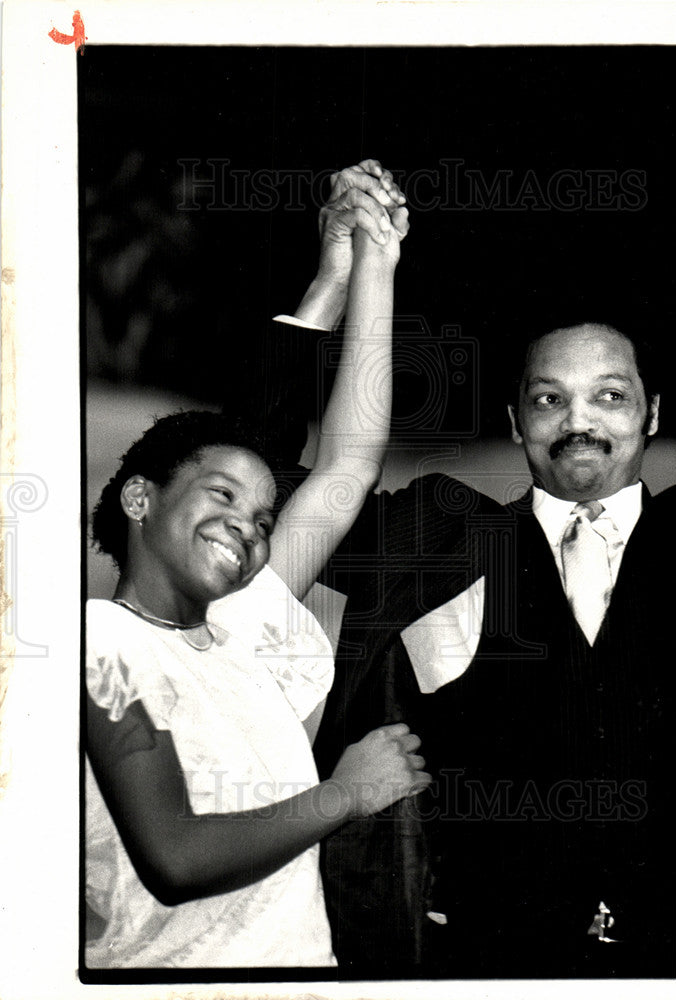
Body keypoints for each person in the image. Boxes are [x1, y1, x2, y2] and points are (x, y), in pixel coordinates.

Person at [84, 160, 432, 969]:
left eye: (264, 517)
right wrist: (344, 794)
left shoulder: (239, 628)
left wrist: (368, 263)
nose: (246, 526)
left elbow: (347, 468)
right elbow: (173, 857)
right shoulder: (98, 645)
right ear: (140, 500)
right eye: (221, 496)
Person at [313, 312, 676, 978]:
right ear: (517, 421)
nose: (579, 422)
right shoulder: (442, 537)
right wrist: (335, 292)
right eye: (549, 399)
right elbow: (272, 489)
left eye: (610, 396)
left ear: (654, 414)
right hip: (486, 960)